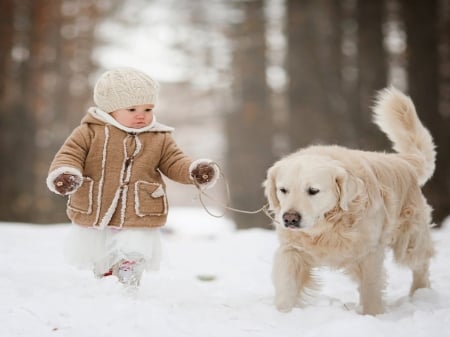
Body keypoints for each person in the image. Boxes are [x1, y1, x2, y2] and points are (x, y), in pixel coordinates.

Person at [46, 67, 219, 288]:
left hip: (140, 206)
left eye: (148, 108)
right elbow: (69, 155)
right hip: (96, 204)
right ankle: (106, 273)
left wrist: (194, 172)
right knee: (101, 247)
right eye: (132, 108)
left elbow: (175, 161)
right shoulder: (89, 132)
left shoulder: (159, 137)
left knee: (134, 244)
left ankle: (129, 270)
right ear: (110, 109)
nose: (142, 115)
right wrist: (66, 174)